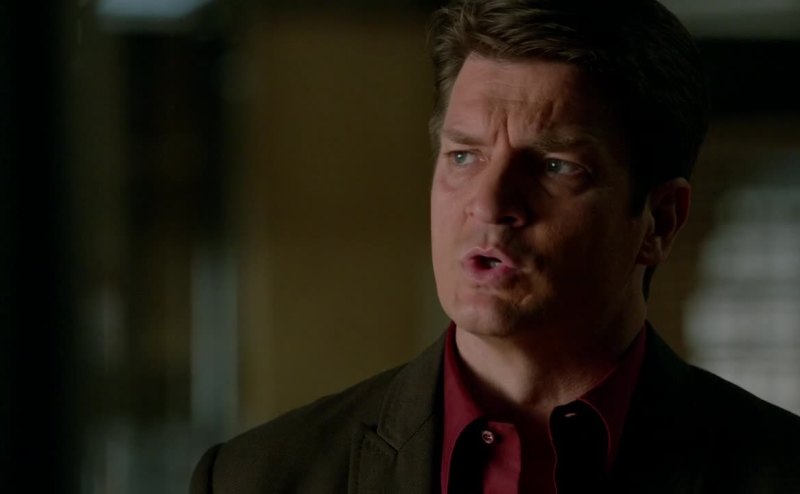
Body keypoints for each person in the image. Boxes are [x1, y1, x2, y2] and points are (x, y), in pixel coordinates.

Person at [191, 0, 800, 492]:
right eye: (464, 156)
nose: (488, 203)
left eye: (556, 166)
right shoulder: (259, 478)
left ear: (659, 222)